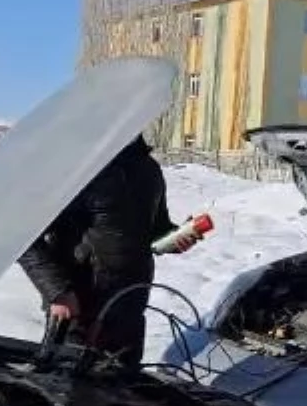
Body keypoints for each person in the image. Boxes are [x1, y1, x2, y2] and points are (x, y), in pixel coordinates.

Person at [18, 136, 191, 367]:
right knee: (68, 389)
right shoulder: (79, 167)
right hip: (79, 307)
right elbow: (25, 237)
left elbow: (156, 229)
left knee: (122, 388)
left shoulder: (149, 169)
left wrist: (177, 238)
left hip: (130, 304)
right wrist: (58, 292)